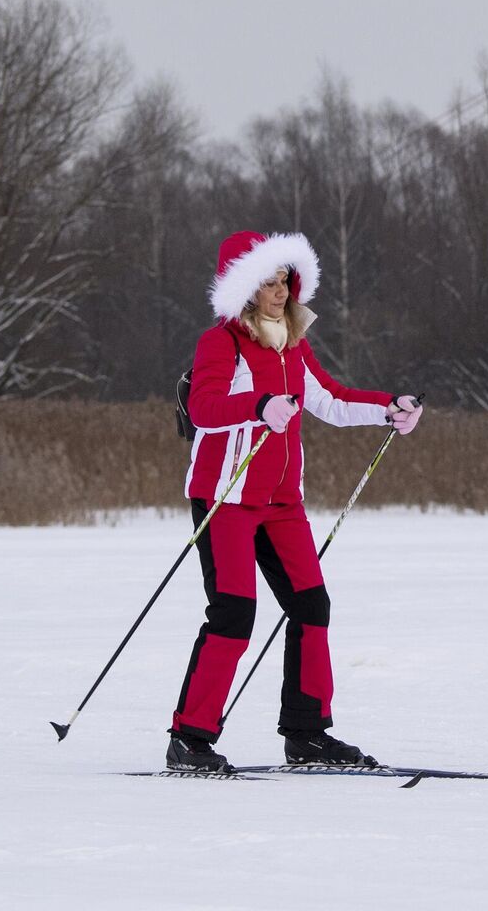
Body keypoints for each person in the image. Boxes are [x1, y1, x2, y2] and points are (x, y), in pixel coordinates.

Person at [169, 230, 424, 772]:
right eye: (268, 282)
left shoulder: (293, 344)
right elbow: (206, 408)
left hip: (282, 503)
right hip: (226, 498)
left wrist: (389, 408)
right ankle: (189, 739)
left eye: (284, 279)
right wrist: (258, 405)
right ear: (243, 287)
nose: (280, 291)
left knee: (311, 607)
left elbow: (330, 400)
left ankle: (307, 734)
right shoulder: (222, 343)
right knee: (234, 614)